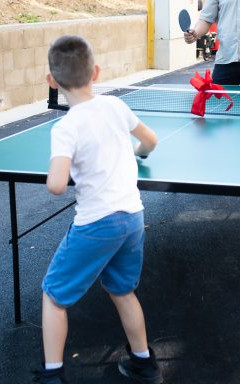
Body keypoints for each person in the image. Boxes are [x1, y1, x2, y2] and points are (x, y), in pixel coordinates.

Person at [36, 36, 160, 384]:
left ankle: (52, 375)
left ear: (52, 81)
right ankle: (143, 363)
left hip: (97, 224)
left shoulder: (65, 128)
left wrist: (58, 168)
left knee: (54, 294)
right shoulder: (115, 107)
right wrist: (134, 155)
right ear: (96, 72)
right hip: (133, 216)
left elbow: (57, 185)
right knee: (122, 290)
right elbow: (150, 141)